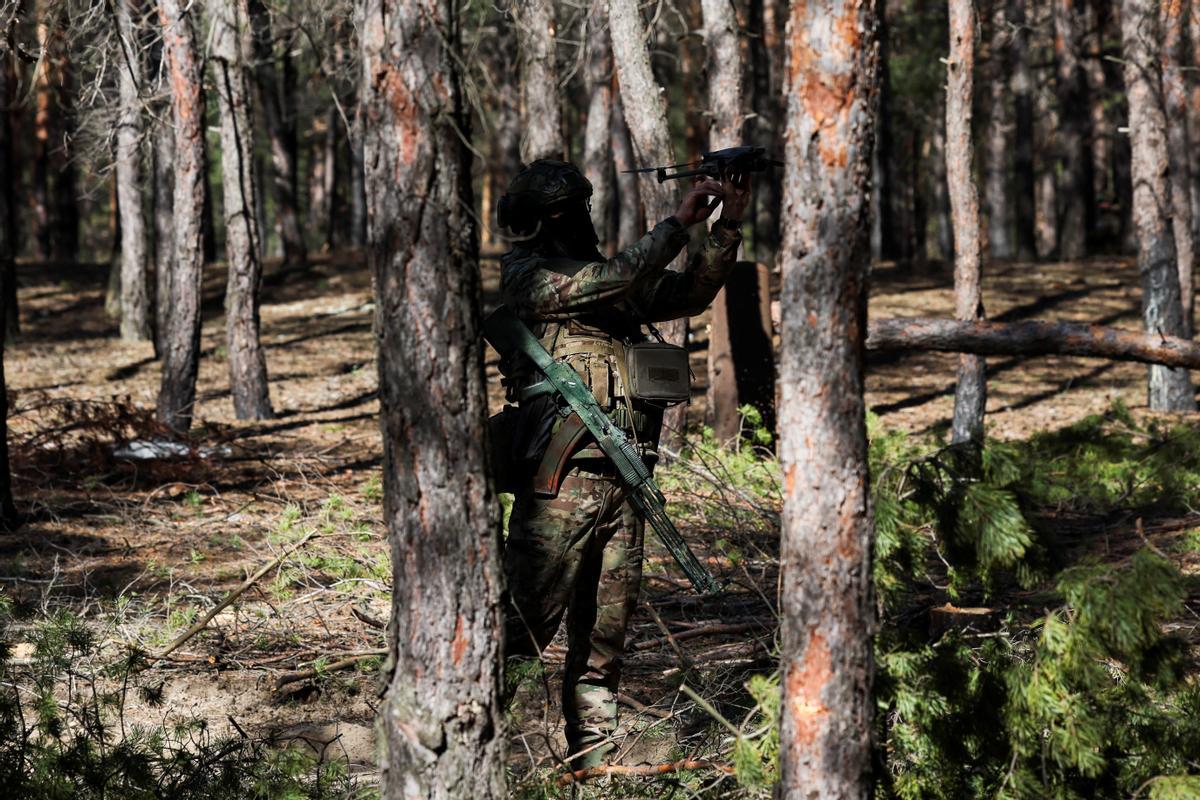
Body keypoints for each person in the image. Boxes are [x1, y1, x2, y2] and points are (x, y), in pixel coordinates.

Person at [495, 159, 750, 767]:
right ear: (537, 223)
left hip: (624, 482)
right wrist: (675, 225)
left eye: (580, 209)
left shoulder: (614, 285)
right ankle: (473, 753)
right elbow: (612, 278)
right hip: (560, 484)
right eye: (565, 212)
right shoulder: (529, 278)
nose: (577, 221)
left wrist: (725, 226)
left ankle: (596, 762)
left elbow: (690, 291)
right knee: (522, 631)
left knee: (604, 641)